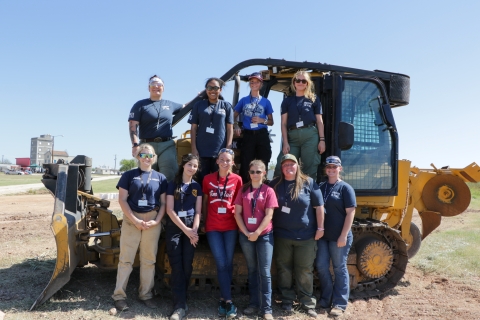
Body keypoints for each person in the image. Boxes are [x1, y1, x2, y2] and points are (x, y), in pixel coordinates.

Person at [112, 143, 168, 311]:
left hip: (151, 221)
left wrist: (157, 221)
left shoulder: (160, 177)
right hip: (131, 220)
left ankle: (146, 294)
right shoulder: (128, 175)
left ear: (154, 158)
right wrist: (134, 220)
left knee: (148, 260)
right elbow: (122, 200)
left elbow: (164, 202)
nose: (147, 158)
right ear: (138, 157)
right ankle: (119, 296)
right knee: (125, 260)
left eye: (150, 155)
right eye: (143, 155)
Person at [269, 154, 324, 318]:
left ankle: (307, 302)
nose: (288, 167)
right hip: (282, 236)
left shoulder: (309, 182)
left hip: (306, 236)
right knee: (283, 269)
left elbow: (319, 206)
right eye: (285, 164)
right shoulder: (275, 184)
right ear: (281, 168)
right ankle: (286, 300)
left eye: (291, 164)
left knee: (304, 270)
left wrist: (320, 227)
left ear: (297, 166)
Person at [234, 160, 278, 320]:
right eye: (252, 171)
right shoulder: (243, 190)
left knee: (264, 271)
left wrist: (257, 232)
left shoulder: (268, 191)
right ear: (249, 173)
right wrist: (246, 232)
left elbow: (269, 215)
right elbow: (237, 213)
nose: (255, 174)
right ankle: (253, 304)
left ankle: (267, 309)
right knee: (252, 270)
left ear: (264, 173)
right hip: (246, 235)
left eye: (258, 172)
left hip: (264, 235)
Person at [202, 148, 243, 318]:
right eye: (222, 159)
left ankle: (223, 299)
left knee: (228, 262)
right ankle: (229, 301)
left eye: (228, 160)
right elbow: (204, 202)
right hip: (213, 227)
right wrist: (203, 222)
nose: (225, 163)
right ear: (217, 161)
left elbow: (238, 203)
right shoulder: (207, 179)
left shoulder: (237, 180)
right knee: (221, 263)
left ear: (233, 163)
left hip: (231, 226)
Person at [315, 156, 356, 317]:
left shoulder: (345, 188)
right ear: (325, 169)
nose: (331, 169)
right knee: (322, 266)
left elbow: (351, 212)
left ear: (340, 168)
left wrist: (344, 235)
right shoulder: (321, 186)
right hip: (323, 236)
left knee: (339, 268)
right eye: (328, 167)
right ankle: (326, 299)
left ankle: (339, 303)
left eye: (334, 167)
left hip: (339, 236)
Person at [165, 153, 203, 320]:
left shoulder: (197, 186)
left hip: (191, 229)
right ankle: (179, 305)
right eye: (190, 165)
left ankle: (182, 298)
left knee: (187, 264)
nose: (192, 168)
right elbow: (170, 210)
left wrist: (193, 231)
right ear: (183, 165)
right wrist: (186, 230)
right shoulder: (172, 184)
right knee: (177, 265)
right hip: (175, 227)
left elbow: (198, 211)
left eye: (195, 166)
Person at [128, 75, 183, 181]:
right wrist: (135, 145)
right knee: (146, 176)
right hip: (147, 145)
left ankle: (168, 198)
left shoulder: (170, 104)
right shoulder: (140, 105)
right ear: (149, 88)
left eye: (159, 84)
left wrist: (201, 96)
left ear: (163, 88)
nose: (156, 87)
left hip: (166, 145)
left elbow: (186, 106)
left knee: (170, 175)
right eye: (153, 84)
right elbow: (132, 125)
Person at [274, 71, 326, 180]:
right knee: (283, 163)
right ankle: (277, 193)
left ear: (307, 83)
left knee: (309, 168)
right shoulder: (287, 101)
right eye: (298, 80)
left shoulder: (314, 99)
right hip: (292, 137)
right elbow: (283, 123)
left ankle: (307, 194)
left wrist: (322, 140)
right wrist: (285, 142)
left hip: (310, 136)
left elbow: (319, 121)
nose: (300, 83)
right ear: (294, 82)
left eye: (304, 81)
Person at [189, 78, 233, 183]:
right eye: (209, 87)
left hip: (220, 152)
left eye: (215, 88)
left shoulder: (226, 105)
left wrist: (228, 149)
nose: (212, 90)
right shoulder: (198, 105)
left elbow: (229, 128)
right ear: (206, 89)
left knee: (218, 182)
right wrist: (194, 148)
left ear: (220, 90)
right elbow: (193, 128)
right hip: (201, 151)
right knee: (201, 181)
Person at [233, 72, 274, 183]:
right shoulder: (243, 100)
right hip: (248, 135)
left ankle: (262, 187)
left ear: (261, 84)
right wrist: (236, 125)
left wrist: (262, 120)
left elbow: (271, 122)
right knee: (246, 163)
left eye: (256, 82)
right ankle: (246, 188)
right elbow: (233, 116)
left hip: (262, 135)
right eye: (252, 82)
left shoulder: (266, 102)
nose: (254, 84)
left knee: (263, 161)